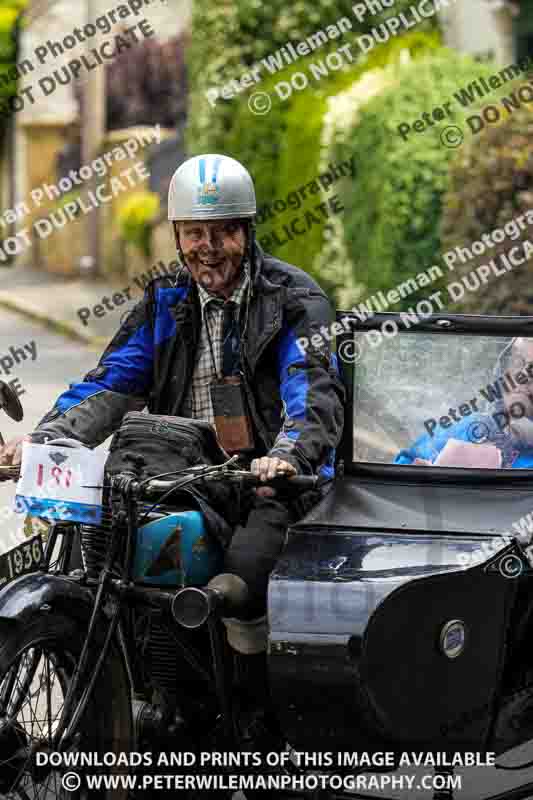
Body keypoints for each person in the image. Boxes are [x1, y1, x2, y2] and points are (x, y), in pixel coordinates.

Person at [0, 153, 345, 709]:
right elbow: (110, 383)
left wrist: (285, 456)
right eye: (194, 233)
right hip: (174, 470)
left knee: (241, 581)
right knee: (103, 561)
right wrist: (46, 440)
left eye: (223, 232)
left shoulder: (294, 300)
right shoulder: (165, 300)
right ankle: (136, 691)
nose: (208, 247)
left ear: (247, 230)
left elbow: (312, 391)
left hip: (265, 482)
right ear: (178, 236)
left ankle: (253, 720)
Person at [395, 337, 533, 468]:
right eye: (517, 362)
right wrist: (419, 475)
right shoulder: (467, 427)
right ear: (503, 371)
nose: (524, 377)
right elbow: (400, 470)